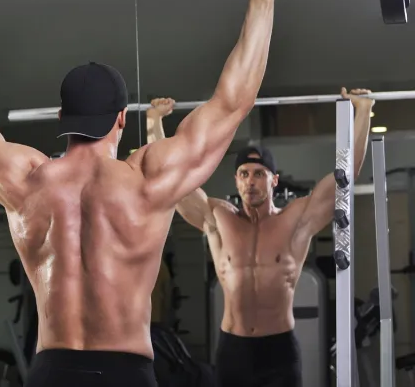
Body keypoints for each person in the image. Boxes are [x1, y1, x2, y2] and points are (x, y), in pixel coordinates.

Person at [0, 0, 278, 387]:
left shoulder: (25, 180)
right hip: (126, 373)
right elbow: (234, 102)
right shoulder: (147, 181)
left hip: (52, 372)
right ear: (121, 119)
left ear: (63, 116)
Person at [146, 89, 374, 387]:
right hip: (233, 349)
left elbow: (345, 179)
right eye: (243, 174)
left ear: (273, 180)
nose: (250, 182)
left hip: (278, 351)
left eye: (258, 174)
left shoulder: (295, 221)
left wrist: (362, 112)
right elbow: (169, 180)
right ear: (236, 179)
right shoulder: (218, 219)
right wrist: (154, 124)